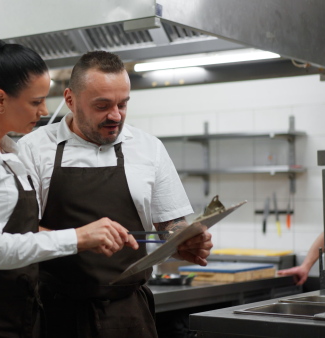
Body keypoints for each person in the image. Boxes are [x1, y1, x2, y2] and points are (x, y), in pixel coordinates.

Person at [0, 37, 138, 337]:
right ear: (0, 99)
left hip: (21, 311)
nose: (44, 110)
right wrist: (77, 237)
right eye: (35, 101)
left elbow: (23, 231)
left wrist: (93, 236)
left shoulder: (9, 150)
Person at [17, 50, 214, 338]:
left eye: (123, 104)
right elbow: (18, 232)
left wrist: (184, 241)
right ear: (70, 100)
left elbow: (170, 225)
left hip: (129, 314)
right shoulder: (33, 149)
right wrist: (79, 238)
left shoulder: (148, 148)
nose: (115, 115)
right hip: (54, 313)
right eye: (102, 105)